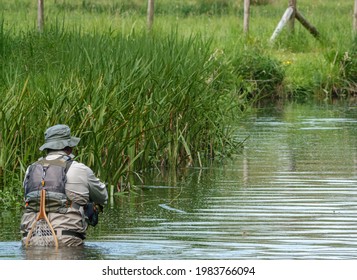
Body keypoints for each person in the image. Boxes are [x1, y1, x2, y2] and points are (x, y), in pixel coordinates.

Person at [20, 124, 108, 246]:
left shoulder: (31, 169)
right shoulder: (80, 169)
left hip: (30, 240)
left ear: (47, 148)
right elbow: (103, 197)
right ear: (69, 147)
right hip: (67, 241)